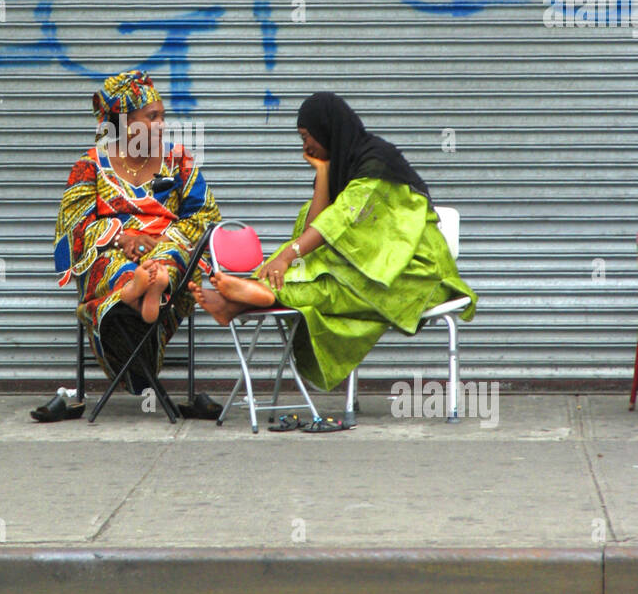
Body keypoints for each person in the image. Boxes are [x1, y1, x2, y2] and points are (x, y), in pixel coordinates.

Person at [190, 91, 477, 417]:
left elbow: (340, 220)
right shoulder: (342, 165)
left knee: (324, 280)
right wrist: (323, 174)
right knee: (318, 270)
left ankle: (251, 296)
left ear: (327, 130)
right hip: (371, 267)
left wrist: (287, 257)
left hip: (414, 274)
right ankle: (248, 296)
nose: (305, 148)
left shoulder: (376, 165)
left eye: (307, 137)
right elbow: (315, 225)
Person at [54, 69, 220, 392]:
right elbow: (75, 226)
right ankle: (135, 293)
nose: (162, 124)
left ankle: (142, 292)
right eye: (152, 117)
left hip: (165, 253)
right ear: (126, 123)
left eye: (163, 116)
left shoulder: (178, 161)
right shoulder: (90, 166)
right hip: (112, 257)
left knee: (170, 258)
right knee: (115, 266)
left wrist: (158, 239)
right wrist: (122, 237)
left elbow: (206, 215)